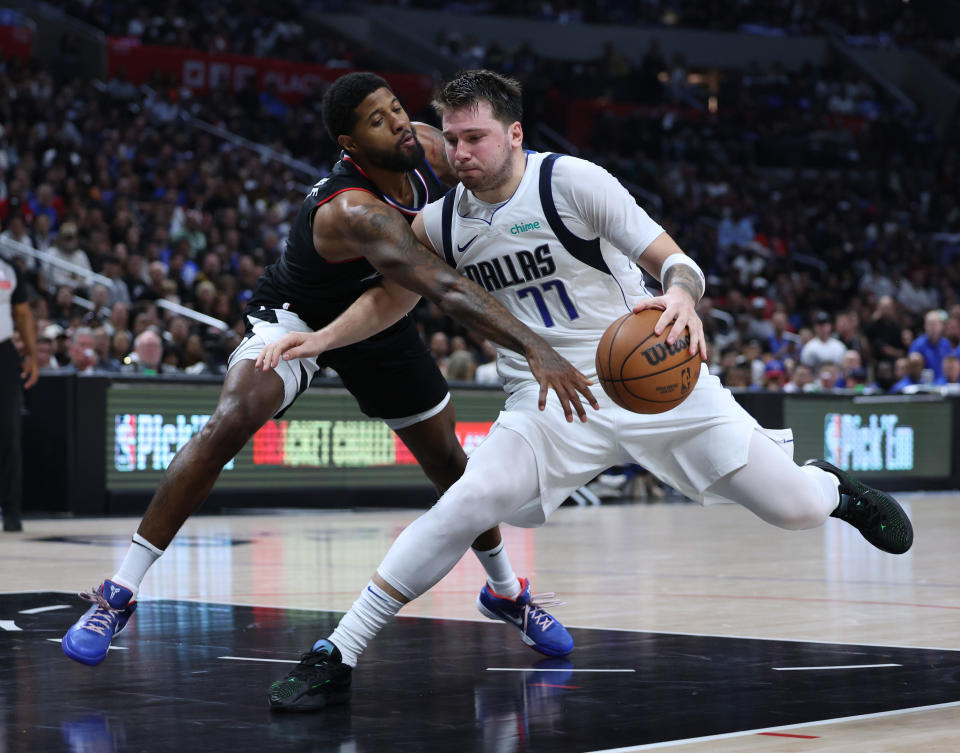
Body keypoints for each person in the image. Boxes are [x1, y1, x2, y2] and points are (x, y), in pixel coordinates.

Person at [260, 69, 914, 711]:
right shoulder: (441, 225)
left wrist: (683, 294)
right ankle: (337, 653)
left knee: (795, 507)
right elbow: (389, 299)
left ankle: (832, 486)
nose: (458, 153)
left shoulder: (570, 182)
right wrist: (322, 340)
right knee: (467, 499)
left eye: (475, 138)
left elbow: (676, 261)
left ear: (514, 134)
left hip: (658, 385)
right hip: (548, 406)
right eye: (451, 139)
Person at [61, 72, 594, 668]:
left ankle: (505, 593)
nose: (396, 121)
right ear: (350, 145)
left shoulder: (424, 145)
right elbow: (442, 284)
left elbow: (498, 176)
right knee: (230, 421)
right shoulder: (353, 210)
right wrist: (536, 346)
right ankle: (118, 593)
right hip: (298, 319)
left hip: (378, 320)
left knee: (450, 462)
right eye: (376, 120)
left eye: (395, 108)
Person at [1, 247, 39, 531]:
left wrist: (32, 355)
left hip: (4, 354)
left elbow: (23, 314)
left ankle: (12, 511)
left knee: (9, 433)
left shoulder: (8, 267)